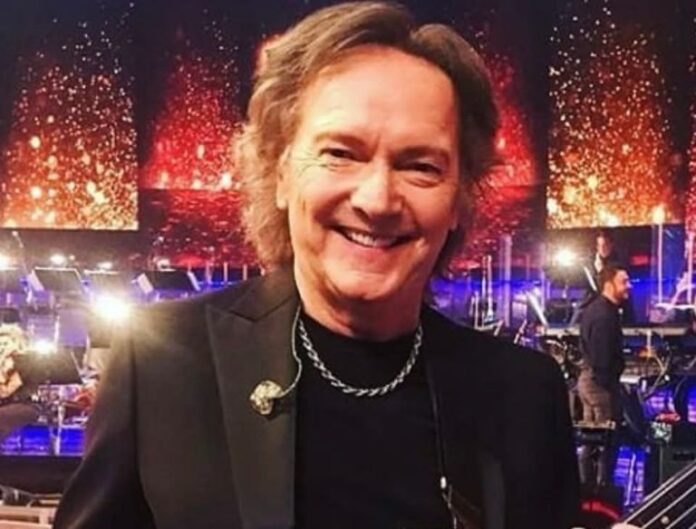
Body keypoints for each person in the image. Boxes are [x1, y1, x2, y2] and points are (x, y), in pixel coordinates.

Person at [54, 3, 579, 528]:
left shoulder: (524, 395)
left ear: (461, 196)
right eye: (340, 154)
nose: (377, 199)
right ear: (280, 172)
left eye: (420, 165)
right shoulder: (163, 363)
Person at [577, 265, 631, 487]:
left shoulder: (595, 310)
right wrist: (610, 381)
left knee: (591, 441)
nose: (628, 286)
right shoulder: (604, 316)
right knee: (606, 440)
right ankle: (602, 489)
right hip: (600, 385)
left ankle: (587, 488)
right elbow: (603, 358)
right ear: (609, 285)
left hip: (590, 381)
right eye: (624, 282)